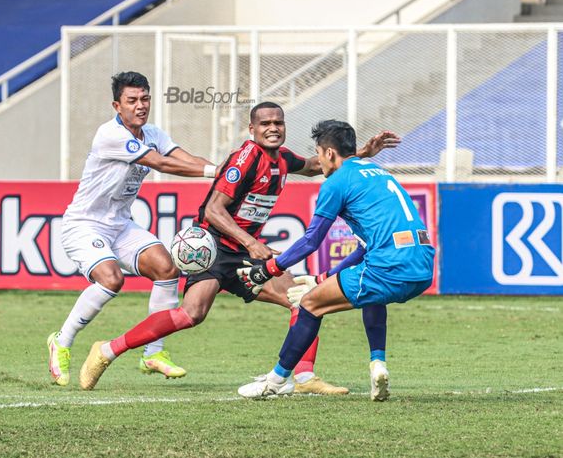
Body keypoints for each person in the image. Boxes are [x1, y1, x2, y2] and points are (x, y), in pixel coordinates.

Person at [78, 103, 401, 394]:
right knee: (192, 314)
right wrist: (250, 242)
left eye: (279, 122)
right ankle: (107, 350)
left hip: (245, 253)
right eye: (265, 124)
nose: (273, 128)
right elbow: (214, 211)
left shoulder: (284, 158)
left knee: (301, 299)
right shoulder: (244, 160)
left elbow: (321, 165)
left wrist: (361, 152)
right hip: (216, 246)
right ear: (252, 130)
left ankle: (303, 377)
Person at [236, 119, 435, 400]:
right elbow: (366, 247)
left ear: (329, 153)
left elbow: (311, 241)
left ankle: (276, 380)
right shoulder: (379, 173)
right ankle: (378, 364)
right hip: (423, 264)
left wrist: (269, 268)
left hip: (391, 265)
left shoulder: (336, 183)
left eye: (318, 154)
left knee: (309, 304)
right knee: (372, 294)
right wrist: (322, 278)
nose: (318, 162)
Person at [47, 71, 219, 386]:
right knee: (112, 279)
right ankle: (62, 339)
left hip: (121, 224)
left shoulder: (152, 132)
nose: (140, 106)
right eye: (132, 100)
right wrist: (215, 172)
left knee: (167, 268)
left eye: (145, 99)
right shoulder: (109, 135)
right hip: (84, 225)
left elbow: (184, 157)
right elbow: (163, 164)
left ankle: (153, 353)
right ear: (117, 105)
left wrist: (224, 173)